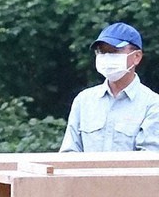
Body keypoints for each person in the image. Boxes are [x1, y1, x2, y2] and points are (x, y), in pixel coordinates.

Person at [60, 22, 159, 152]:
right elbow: (69, 153)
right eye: (101, 51)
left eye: (114, 51)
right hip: (85, 173)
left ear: (136, 57)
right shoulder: (84, 101)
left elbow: (149, 161)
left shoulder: (152, 104)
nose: (106, 57)